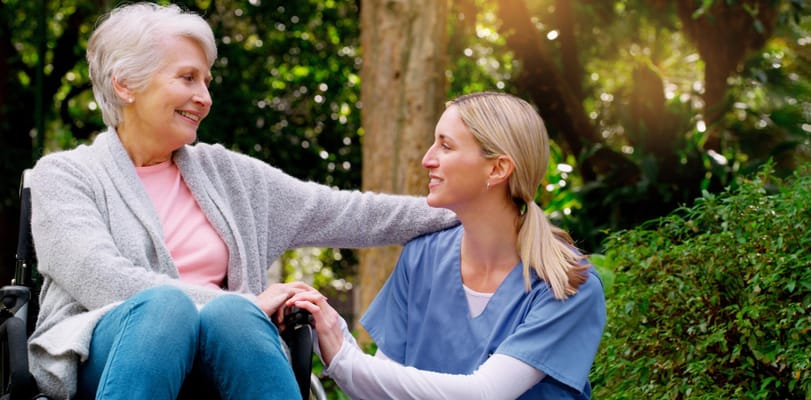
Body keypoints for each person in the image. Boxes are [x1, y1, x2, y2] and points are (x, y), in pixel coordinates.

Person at [26, 3, 456, 399]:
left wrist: (464, 207)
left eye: (206, 82)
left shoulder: (229, 175)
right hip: (108, 356)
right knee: (168, 308)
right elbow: (105, 280)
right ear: (125, 84)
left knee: (231, 317)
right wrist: (247, 302)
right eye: (187, 78)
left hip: (228, 350)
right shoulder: (65, 176)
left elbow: (349, 212)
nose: (205, 98)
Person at [288, 92, 607, 399]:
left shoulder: (567, 286)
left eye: (446, 146)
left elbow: (483, 394)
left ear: (497, 169)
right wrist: (327, 327)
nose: (427, 159)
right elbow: (381, 391)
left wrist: (344, 356)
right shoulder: (423, 256)